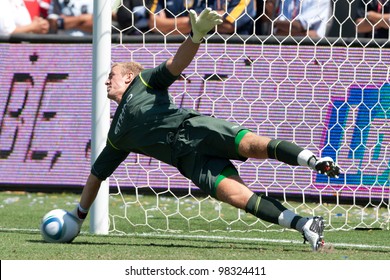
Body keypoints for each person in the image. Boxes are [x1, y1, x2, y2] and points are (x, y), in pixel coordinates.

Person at [68, 7, 340, 251]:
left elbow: (177, 65)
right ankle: (305, 224)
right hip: (189, 161)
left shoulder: (143, 81)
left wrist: (195, 36)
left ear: (128, 76)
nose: (106, 81)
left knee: (252, 146)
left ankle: (314, 161)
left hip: (196, 129)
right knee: (237, 196)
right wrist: (78, 217)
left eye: (111, 75)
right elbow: (96, 176)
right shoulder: (116, 135)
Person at [148, 0, 256, 35]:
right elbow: (155, 24)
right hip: (184, 56)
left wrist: (190, 22)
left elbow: (228, 25)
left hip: (230, 59)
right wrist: (191, 21)